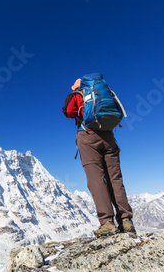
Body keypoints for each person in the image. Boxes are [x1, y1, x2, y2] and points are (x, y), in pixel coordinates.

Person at [64, 78, 136, 237]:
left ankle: (107, 223)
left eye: (74, 84)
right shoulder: (104, 93)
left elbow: (69, 112)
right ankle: (126, 221)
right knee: (115, 178)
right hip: (109, 137)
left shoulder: (78, 94)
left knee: (96, 179)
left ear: (79, 85)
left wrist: (74, 96)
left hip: (87, 136)